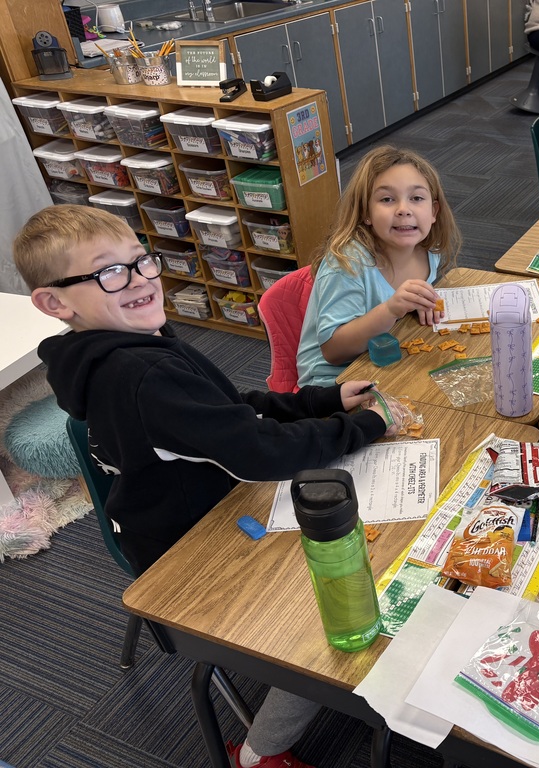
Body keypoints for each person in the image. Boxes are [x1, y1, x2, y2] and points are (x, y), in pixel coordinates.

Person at [14, 205, 412, 768]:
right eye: (108, 272)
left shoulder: (132, 346)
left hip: (197, 507)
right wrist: (364, 427)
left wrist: (317, 401)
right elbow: (257, 453)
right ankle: (259, 752)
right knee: (341, 610)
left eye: (140, 261)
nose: (140, 279)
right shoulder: (139, 372)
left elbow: (228, 411)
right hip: (190, 548)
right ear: (56, 302)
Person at [296, 145, 460, 387]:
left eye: (416, 198)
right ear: (366, 213)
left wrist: (422, 304)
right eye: (387, 199)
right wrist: (391, 310)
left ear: (434, 211)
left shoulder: (429, 253)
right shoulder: (348, 263)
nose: (404, 210)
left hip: (387, 360)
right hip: (334, 382)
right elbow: (333, 351)